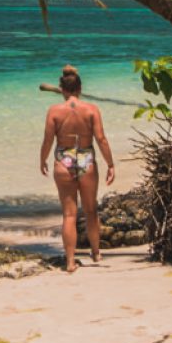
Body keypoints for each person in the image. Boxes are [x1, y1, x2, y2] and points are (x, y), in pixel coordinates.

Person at [39, 65, 117, 272]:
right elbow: (101, 139)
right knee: (91, 210)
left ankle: (71, 261)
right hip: (86, 159)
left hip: (63, 159)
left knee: (69, 215)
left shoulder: (54, 111)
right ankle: (96, 252)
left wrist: (42, 160)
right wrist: (110, 163)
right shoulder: (91, 110)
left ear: (62, 89)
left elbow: (48, 140)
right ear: (80, 88)